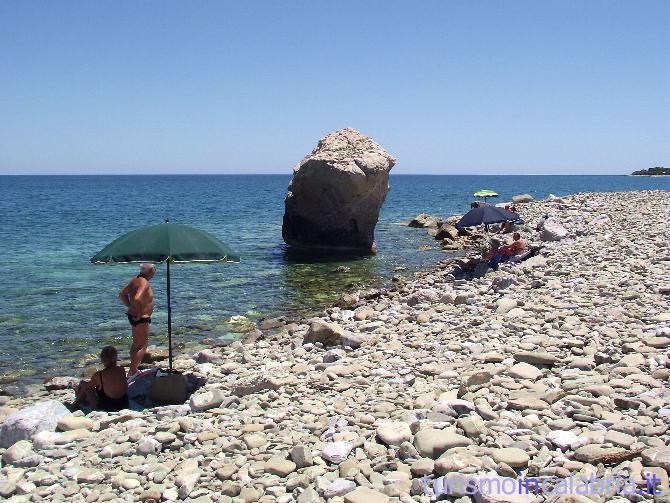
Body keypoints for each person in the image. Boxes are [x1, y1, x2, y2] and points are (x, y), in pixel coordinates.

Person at [119, 263, 155, 380]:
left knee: (136, 344)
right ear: (150, 271)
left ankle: (132, 369)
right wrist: (139, 312)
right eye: (154, 270)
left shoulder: (135, 280)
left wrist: (130, 306)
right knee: (143, 345)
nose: (155, 272)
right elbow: (137, 298)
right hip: (141, 318)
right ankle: (133, 370)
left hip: (132, 317)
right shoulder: (144, 282)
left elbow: (122, 294)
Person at [68, 346, 129, 412]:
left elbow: (88, 388)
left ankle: (74, 406)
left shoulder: (100, 375)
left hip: (107, 407)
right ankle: (77, 404)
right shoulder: (121, 370)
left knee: (84, 385)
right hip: (124, 404)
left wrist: (82, 383)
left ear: (102, 359)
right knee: (97, 386)